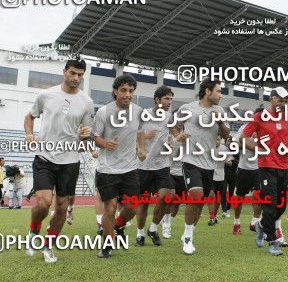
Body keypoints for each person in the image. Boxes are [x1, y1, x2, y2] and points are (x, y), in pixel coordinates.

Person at [24, 58, 94, 263]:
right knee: (44, 203)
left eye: (80, 75)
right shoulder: (46, 95)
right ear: (64, 72)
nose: (76, 78)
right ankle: (33, 232)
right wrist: (29, 135)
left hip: (70, 160)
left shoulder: (87, 102)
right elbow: (30, 117)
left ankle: (49, 246)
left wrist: (85, 136)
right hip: (45, 157)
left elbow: (86, 134)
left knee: (62, 207)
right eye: (73, 73)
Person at [171, 78, 230, 255]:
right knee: (195, 196)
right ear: (207, 91)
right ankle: (187, 238)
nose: (221, 95)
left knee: (200, 203)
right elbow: (174, 125)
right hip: (190, 160)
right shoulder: (188, 108)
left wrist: (219, 122)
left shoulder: (220, 110)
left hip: (209, 164)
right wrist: (178, 136)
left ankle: (188, 233)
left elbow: (226, 135)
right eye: (219, 91)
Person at [93, 74, 147, 258]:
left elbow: (140, 132)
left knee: (132, 206)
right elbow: (95, 137)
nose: (127, 94)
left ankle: (116, 225)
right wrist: (105, 144)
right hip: (107, 168)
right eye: (123, 90)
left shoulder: (139, 111)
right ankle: (107, 244)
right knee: (110, 207)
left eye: (131, 91)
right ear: (115, 91)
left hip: (130, 168)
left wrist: (141, 148)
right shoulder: (104, 112)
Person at [240, 86, 288, 256]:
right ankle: (273, 241)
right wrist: (258, 148)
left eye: (286, 101)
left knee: (281, 206)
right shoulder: (259, 117)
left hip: (284, 166)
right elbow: (243, 138)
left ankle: (261, 225)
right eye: (280, 100)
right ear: (271, 99)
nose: (283, 104)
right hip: (266, 166)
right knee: (270, 204)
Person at [135, 86, 175, 247]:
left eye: (171, 99)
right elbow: (131, 135)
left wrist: (170, 142)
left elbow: (170, 135)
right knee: (143, 203)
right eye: (166, 99)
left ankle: (153, 229)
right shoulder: (142, 115)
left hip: (162, 165)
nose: (169, 102)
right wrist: (145, 137)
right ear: (157, 100)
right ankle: (140, 234)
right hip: (143, 166)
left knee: (169, 195)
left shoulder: (169, 117)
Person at [232, 113, 263, 236]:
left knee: (259, 194)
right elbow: (235, 145)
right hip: (244, 167)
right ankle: (236, 222)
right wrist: (248, 140)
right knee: (239, 198)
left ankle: (254, 222)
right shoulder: (244, 128)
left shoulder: (267, 130)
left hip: (260, 167)